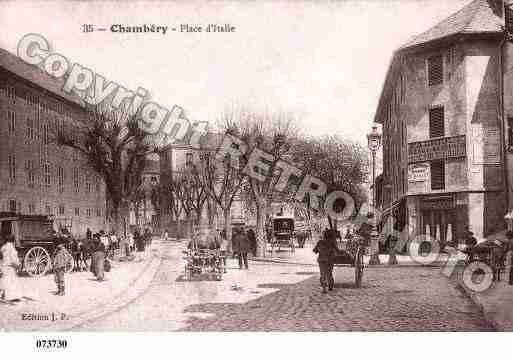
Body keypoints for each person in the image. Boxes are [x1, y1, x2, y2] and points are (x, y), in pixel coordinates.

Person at [313, 229, 339, 293]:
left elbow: (314, 250)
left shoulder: (320, 242)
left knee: (322, 274)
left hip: (321, 260)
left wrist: (319, 250)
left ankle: (324, 288)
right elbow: (337, 250)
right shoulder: (332, 242)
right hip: (329, 260)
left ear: (324, 236)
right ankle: (330, 286)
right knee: (329, 273)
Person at [0, 235, 22, 301]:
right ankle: (11, 296)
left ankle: (4, 294)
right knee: (12, 281)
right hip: (10, 267)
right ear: (13, 241)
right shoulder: (11, 248)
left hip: (4, 266)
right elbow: (13, 259)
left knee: (5, 281)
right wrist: (18, 264)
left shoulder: (4, 247)